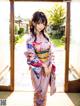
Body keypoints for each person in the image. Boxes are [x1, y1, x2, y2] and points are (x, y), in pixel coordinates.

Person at [24, 11, 56, 106]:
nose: (41, 26)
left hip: (47, 67)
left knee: (44, 91)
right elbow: (31, 56)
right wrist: (44, 66)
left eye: (43, 23)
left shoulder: (46, 37)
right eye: (39, 23)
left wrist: (50, 65)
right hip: (36, 69)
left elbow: (52, 52)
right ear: (33, 23)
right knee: (38, 91)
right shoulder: (30, 39)